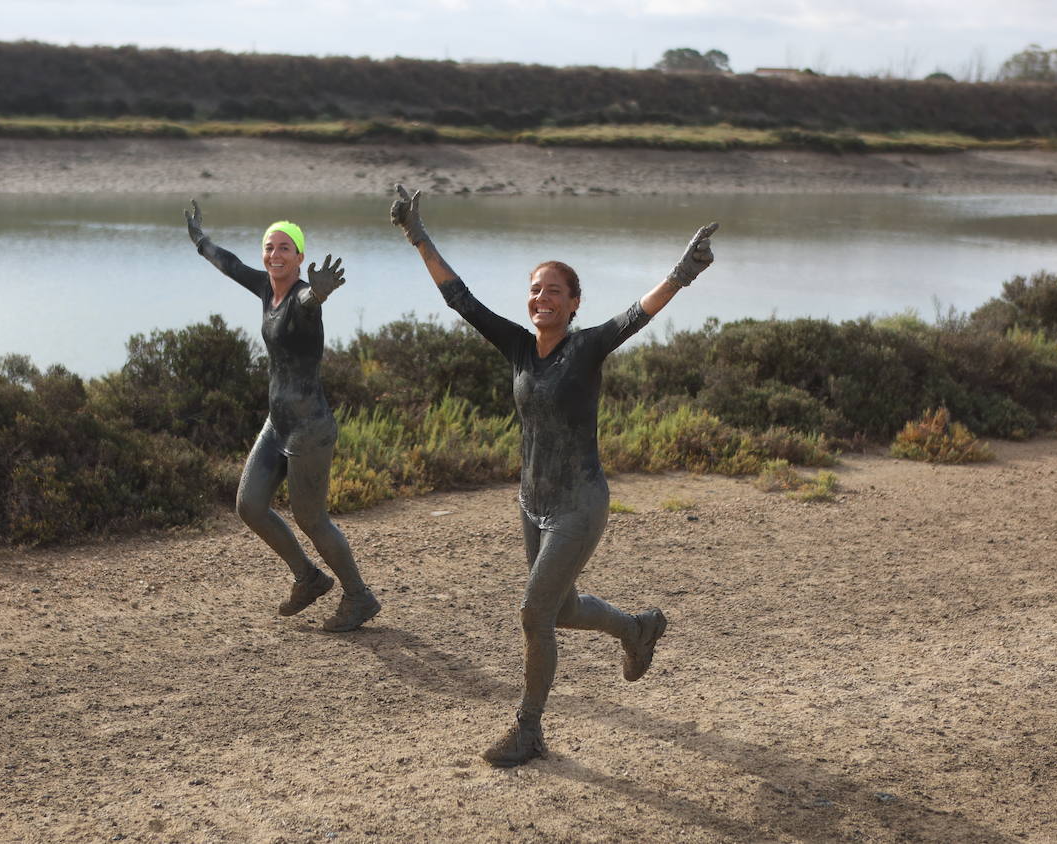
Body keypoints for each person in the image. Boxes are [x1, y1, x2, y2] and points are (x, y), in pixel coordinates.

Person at [390, 183, 716, 766]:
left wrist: (682, 271)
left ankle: (529, 731)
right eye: (535, 289)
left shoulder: (587, 347)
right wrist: (418, 237)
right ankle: (637, 629)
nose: (542, 298)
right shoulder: (518, 347)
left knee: (533, 614)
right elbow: (461, 301)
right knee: (560, 609)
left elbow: (637, 314)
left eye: (555, 292)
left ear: (573, 305)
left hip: (579, 504)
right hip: (532, 502)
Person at [184, 200, 380, 632]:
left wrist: (320, 290)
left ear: (300, 258)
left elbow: (310, 301)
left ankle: (358, 595)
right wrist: (200, 240)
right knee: (250, 506)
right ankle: (308, 577)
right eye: (269, 248)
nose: (275, 255)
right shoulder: (263, 287)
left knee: (312, 519)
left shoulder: (303, 299)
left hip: (310, 428)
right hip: (278, 424)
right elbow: (230, 264)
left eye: (285, 249)